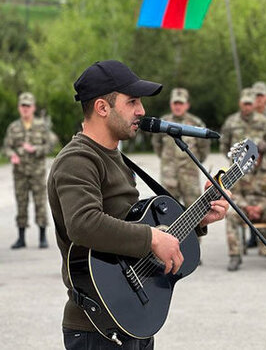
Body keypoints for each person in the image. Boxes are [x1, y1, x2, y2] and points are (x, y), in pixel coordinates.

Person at [47, 60, 229, 349]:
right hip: (96, 329)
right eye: (132, 101)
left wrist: (197, 220)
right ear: (102, 108)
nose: (142, 111)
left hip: (130, 314)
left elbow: (129, 223)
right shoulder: (78, 160)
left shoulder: (113, 156)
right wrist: (152, 238)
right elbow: (83, 224)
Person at [3, 92, 51, 249]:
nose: (25, 109)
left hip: (37, 172)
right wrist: (12, 155)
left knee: (40, 203)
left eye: (28, 106)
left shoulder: (41, 126)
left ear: (33, 108)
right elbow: (7, 147)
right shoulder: (13, 127)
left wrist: (35, 149)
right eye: (22, 106)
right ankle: (21, 238)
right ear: (19, 108)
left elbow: (49, 145)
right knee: (21, 203)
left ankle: (42, 237)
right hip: (20, 173)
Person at [225, 148, 266, 272]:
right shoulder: (239, 170)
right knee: (231, 216)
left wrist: (260, 208)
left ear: (261, 155)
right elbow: (234, 193)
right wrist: (247, 207)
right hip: (246, 206)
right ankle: (234, 255)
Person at [151, 88, 210, 208]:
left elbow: (203, 147)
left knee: (195, 211)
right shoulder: (163, 123)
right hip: (169, 176)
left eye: (181, 103)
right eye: (175, 103)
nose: (178, 107)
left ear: (187, 105)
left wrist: (195, 162)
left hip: (190, 176)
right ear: (171, 104)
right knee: (167, 210)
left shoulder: (196, 123)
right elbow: (157, 144)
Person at [220, 88, 266, 161]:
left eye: (250, 104)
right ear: (240, 103)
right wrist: (233, 159)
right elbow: (224, 144)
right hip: (237, 167)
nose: (247, 107)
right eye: (245, 104)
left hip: (260, 167)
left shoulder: (265, 122)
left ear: (255, 104)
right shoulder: (230, 122)